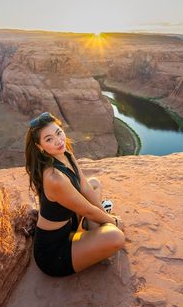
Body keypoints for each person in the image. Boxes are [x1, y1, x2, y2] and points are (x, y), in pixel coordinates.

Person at [25, 112, 125, 277]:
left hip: (70, 224)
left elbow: (85, 187)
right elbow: (88, 211)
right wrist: (112, 221)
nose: (58, 141)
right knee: (116, 237)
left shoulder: (65, 154)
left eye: (58, 132)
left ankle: (92, 229)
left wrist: (104, 216)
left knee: (94, 183)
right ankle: (96, 234)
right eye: (48, 139)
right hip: (54, 252)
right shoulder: (54, 178)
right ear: (40, 146)